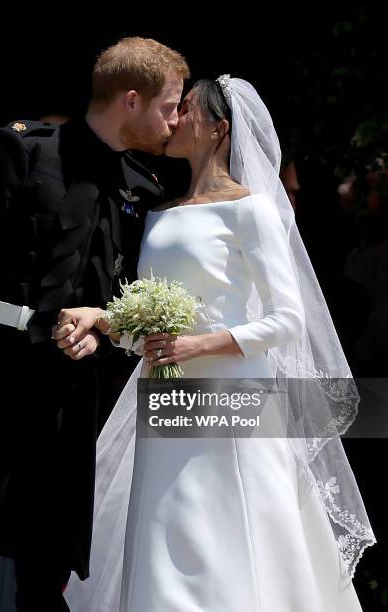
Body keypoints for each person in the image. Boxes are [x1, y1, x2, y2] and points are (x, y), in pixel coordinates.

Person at [54, 77, 376, 611]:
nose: (174, 117)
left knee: (230, 527)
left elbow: (287, 320)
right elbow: (155, 327)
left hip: (232, 394)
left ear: (217, 129)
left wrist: (198, 346)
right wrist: (104, 320)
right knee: (164, 526)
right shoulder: (160, 210)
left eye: (185, 109)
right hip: (164, 393)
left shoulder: (251, 210)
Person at [0, 37, 189, 611]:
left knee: (50, 549)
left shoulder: (140, 187)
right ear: (132, 100)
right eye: (170, 106)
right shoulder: (18, 150)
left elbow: (123, 299)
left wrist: (99, 336)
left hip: (68, 391)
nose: (176, 121)